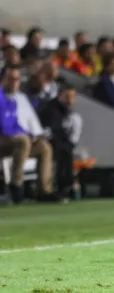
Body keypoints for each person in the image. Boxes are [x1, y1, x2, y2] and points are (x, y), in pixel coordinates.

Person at [0, 64, 58, 203]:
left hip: (11, 141)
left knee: (44, 147)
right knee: (23, 141)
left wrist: (33, 135)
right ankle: (16, 184)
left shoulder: (11, 100)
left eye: (17, 79)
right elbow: (3, 126)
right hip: (3, 138)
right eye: (10, 79)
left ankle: (44, 190)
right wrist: (26, 136)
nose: (14, 82)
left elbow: (15, 124)